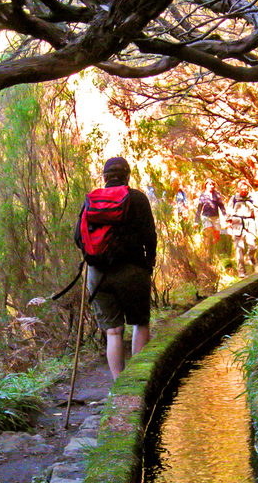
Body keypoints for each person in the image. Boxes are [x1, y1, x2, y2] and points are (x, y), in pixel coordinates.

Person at [74, 157, 157, 381]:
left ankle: (119, 384)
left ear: (104, 177)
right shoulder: (137, 198)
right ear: (127, 176)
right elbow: (150, 235)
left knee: (113, 331)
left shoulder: (91, 200)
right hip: (133, 271)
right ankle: (138, 380)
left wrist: (92, 257)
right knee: (140, 323)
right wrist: (149, 263)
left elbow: (77, 237)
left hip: (98, 274)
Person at [226, 179, 258, 278]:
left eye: (246, 188)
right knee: (239, 249)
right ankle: (241, 271)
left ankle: (250, 261)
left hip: (250, 224)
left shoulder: (251, 198)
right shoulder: (234, 199)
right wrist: (229, 226)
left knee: (252, 246)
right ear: (238, 189)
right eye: (242, 188)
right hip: (237, 224)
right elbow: (228, 212)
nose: (244, 190)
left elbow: (257, 211)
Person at [194, 178, 227, 262]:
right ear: (206, 185)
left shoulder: (217, 195)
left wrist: (226, 217)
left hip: (215, 217)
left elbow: (222, 207)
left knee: (216, 237)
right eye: (209, 184)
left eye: (212, 185)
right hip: (206, 217)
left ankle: (213, 255)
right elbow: (199, 209)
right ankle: (207, 258)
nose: (211, 186)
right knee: (208, 235)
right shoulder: (203, 196)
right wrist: (196, 221)